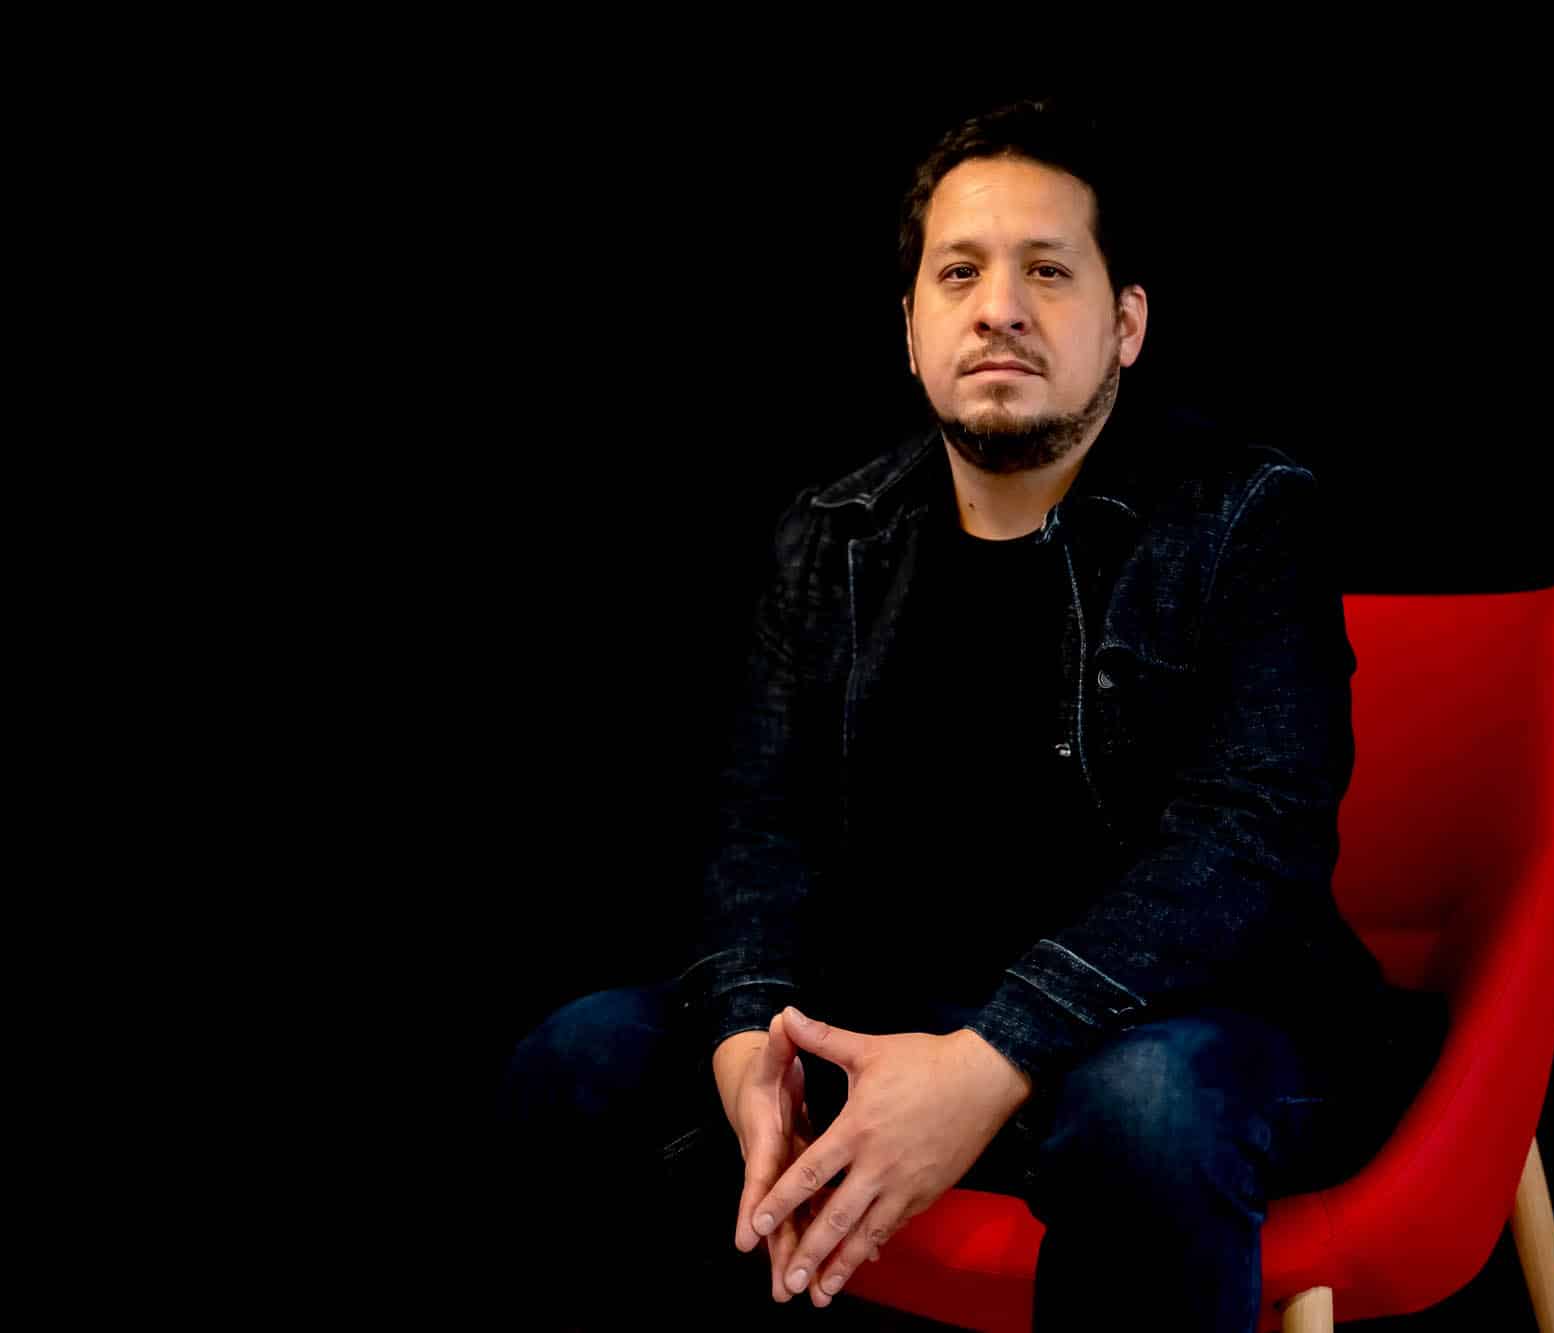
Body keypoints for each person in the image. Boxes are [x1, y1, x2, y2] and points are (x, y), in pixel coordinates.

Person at [496, 96, 1424, 1332]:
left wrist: (991, 1058)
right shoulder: (832, 536)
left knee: (1144, 1107)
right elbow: (759, 835)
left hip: (1202, 1027)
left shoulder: (1246, 516)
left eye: (1047, 269)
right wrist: (745, 1051)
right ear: (910, 328)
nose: (999, 307)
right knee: (580, 1058)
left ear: (1125, 323)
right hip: (902, 1018)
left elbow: (1249, 845)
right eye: (959, 273)